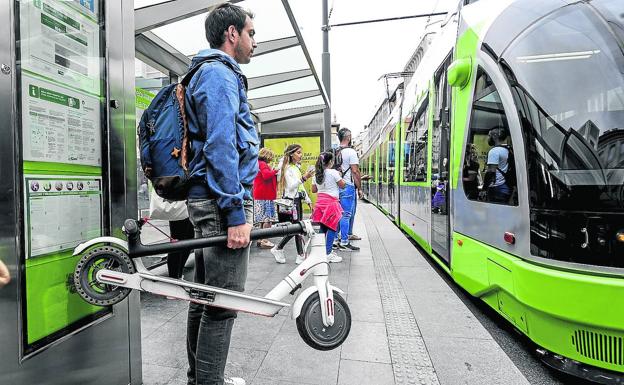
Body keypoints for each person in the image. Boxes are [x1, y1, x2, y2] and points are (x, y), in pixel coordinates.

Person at [183, 4, 257, 385]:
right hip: (219, 201)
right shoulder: (220, 75)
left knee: (203, 297)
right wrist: (235, 214)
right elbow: (221, 146)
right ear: (232, 34)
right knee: (221, 306)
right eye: (250, 34)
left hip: (206, 199)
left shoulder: (204, 71)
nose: (254, 43)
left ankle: (201, 378)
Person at [270, 144, 314, 264]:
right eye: (298, 153)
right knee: (298, 227)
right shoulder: (287, 168)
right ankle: (295, 253)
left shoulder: (295, 167)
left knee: (297, 227)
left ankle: (284, 250)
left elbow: (300, 187)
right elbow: (291, 185)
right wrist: (304, 178)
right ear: (291, 154)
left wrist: (308, 200)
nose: (301, 155)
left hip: (297, 200)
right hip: (292, 201)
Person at [311, 152, 344, 263]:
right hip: (331, 203)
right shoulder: (333, 172)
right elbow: (342, 185)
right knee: (332, 228)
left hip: (320, 203)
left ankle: (320, 253)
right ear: (330, 162)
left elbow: (314, 190)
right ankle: (328, 253)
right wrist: (340, 176)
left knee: (323, 228)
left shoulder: (316, 174)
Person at [336, 128, 362, 251]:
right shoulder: (351, 152)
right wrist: (360, 189)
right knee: (345, 215)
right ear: (349, 137)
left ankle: (335, 240)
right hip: (347, 187)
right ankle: (345, 242)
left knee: (336, 215)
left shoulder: (335, 150)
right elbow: (355, 171)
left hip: (335, 187)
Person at [253, 147, 278, 249]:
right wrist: (275, 171)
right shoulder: (263, 164)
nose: (271, 159)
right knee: (267, 219)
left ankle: (260, 239)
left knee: (262, 220)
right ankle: (265, 240)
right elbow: (266, 175)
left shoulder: (258, 163)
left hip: (260, 194)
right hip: (266, 195)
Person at [484, 127, 512, 203]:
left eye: (489, 135)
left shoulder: (494, 151)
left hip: (496, 188)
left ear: (495, 136)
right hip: (505, 187)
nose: (488, 138)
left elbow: (491, 172)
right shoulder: (507, 150)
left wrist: (484, 189)